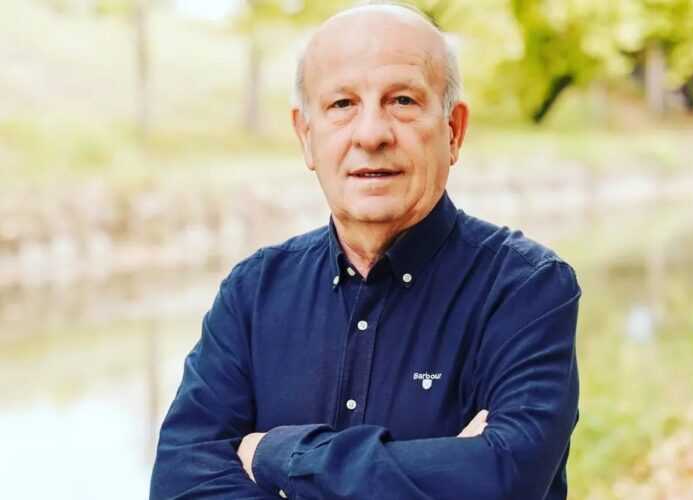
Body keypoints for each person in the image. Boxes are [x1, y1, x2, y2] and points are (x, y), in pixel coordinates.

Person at [149, 3, 581, 499]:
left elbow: (506, 478)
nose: (372, 134)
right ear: (306, 136)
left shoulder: (527, 289)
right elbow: (179, 484)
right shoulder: (253, 294)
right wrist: (441, 472)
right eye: (342, 104)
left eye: (402, 100)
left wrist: (279, 456)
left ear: (453, 130)